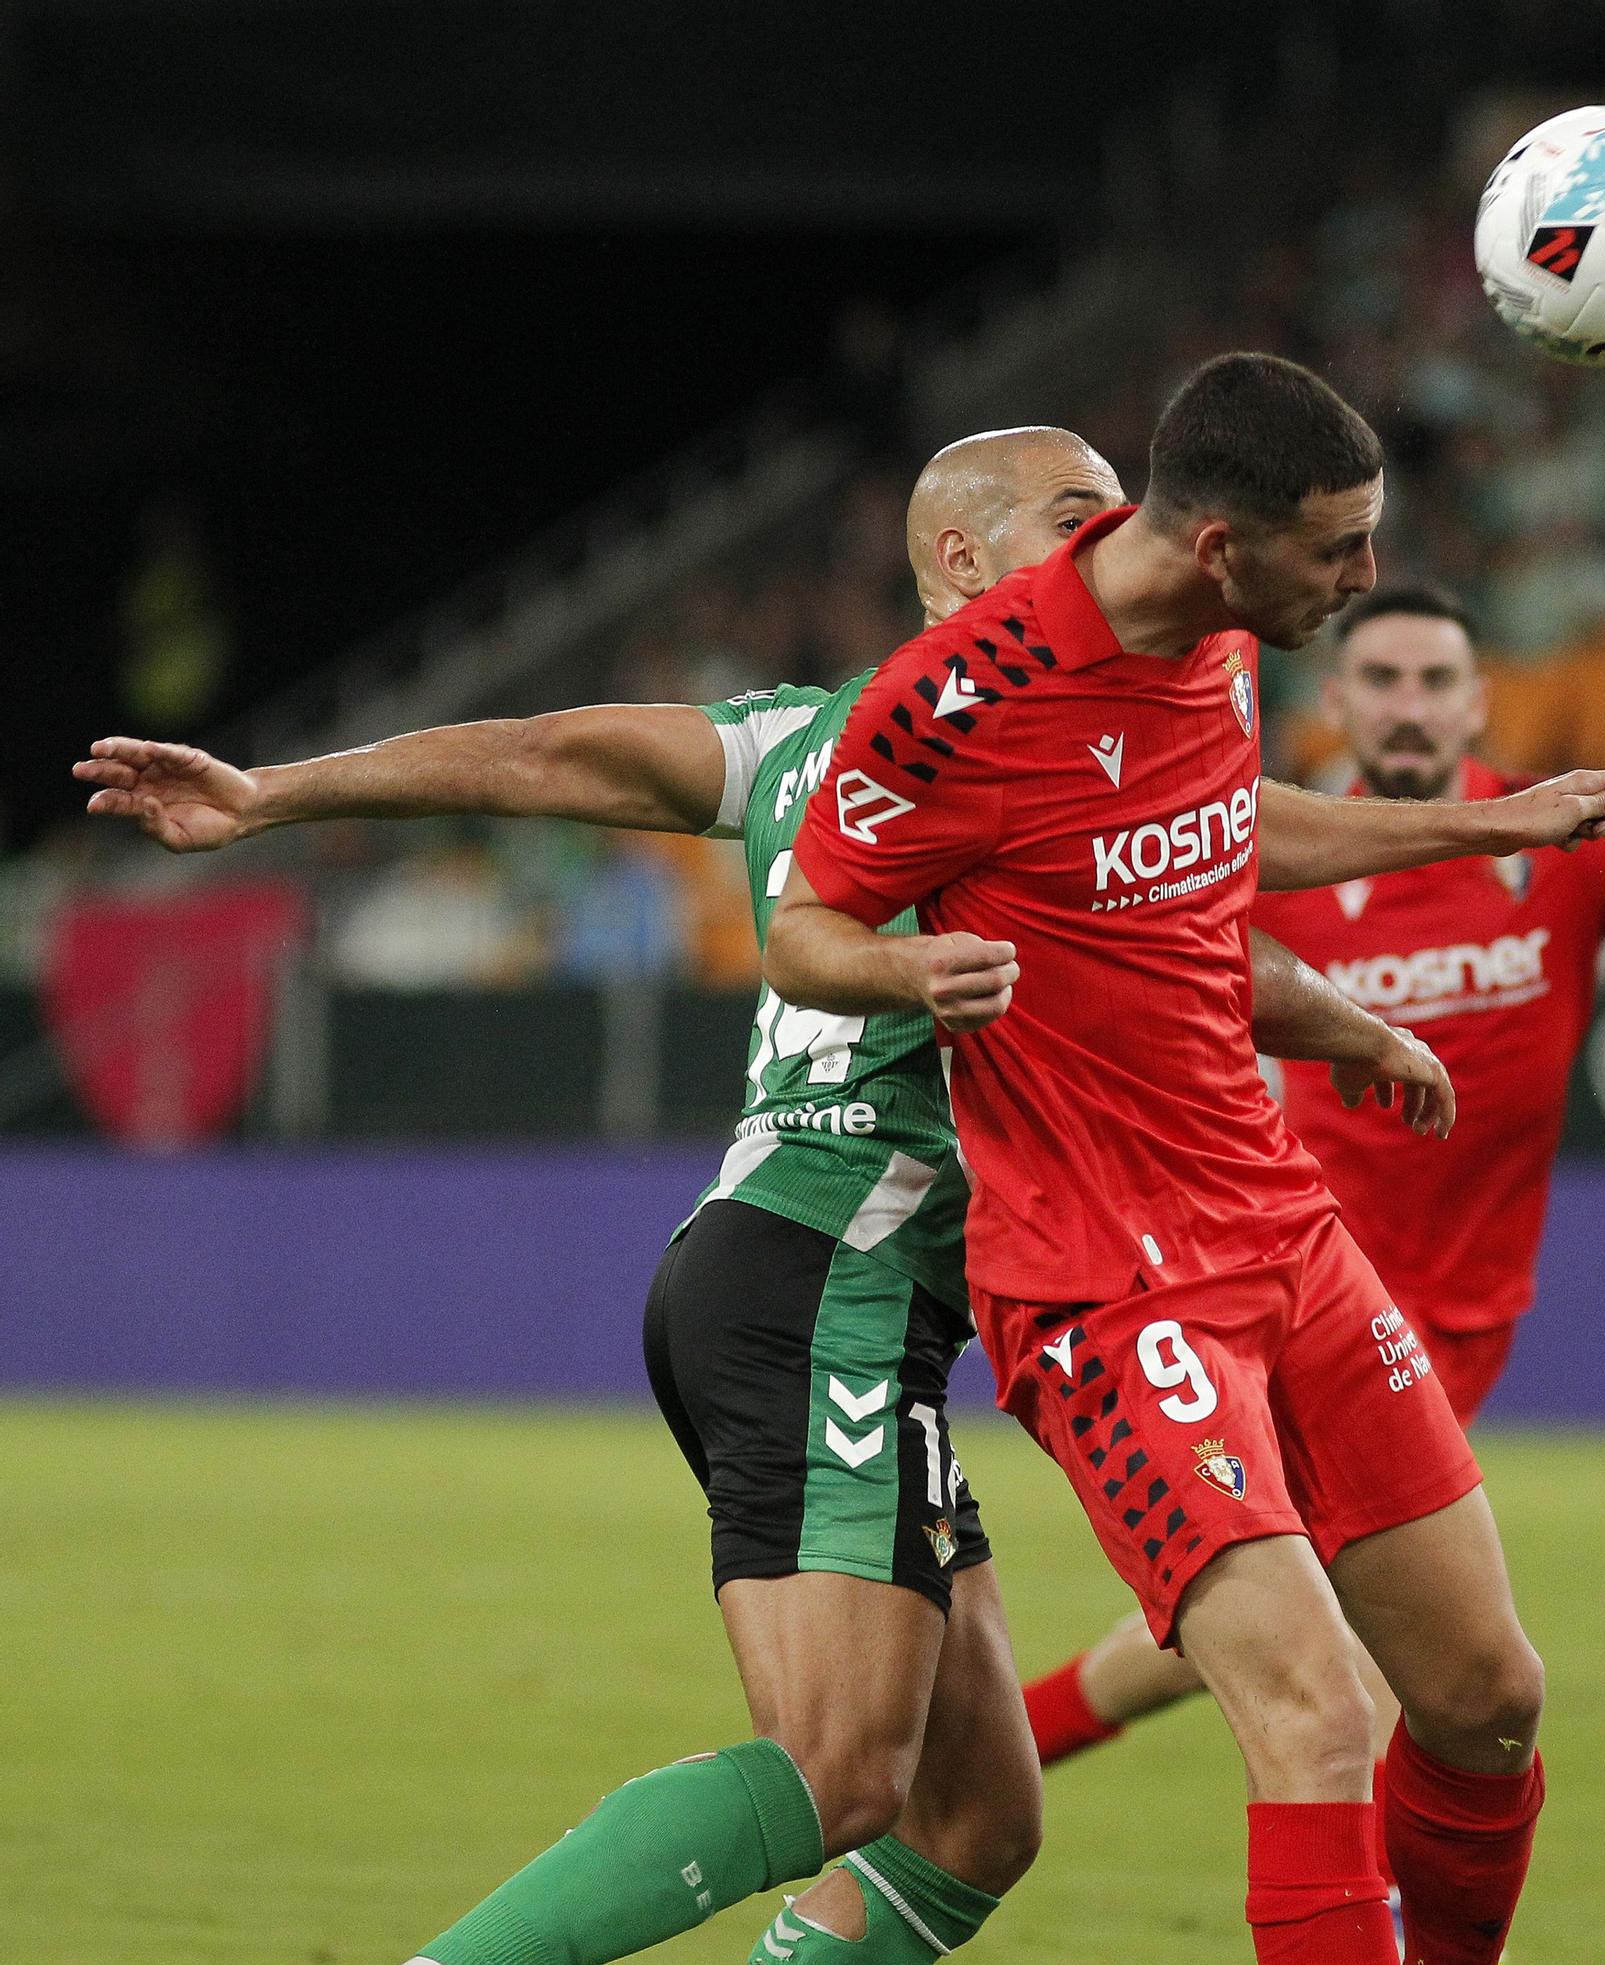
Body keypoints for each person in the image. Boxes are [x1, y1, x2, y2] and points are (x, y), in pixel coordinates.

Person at [77, 423, 1531, 1965]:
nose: (1121, 535)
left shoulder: (842, 733)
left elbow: (559, 751)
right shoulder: (950, 737)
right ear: (961, 563)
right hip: (835, 1255)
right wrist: (270, 800)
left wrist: (277, 796)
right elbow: (553, 752)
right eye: (1077, 513)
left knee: (976, 1821)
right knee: (845, 1769)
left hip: (822, 1278)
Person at [763, 354, 1605, 1965]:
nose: (1365, 581)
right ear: (1223, 542)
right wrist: (905, 970)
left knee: (1485, 1698)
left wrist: (1478, 836)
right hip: (1103, 1282)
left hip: (1284, 1232)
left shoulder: (1227, 644)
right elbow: (802, 921)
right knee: (1314, 1719)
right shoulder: (961, 702)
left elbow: (1231, 831)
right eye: (1339, 549)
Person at [1019, 579, 1605, 1907]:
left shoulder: (1560, 844)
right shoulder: (1253, 851)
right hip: (1292, 1292)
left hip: (1465, 1314)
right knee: (1326, 1663)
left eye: (1436, 681)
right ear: (1340, 701)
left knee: (1288, 1636)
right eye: (1383, 679)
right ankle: (1343, 1907)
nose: (1410, 704)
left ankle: (1003, 1747)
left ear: (1480, 701)